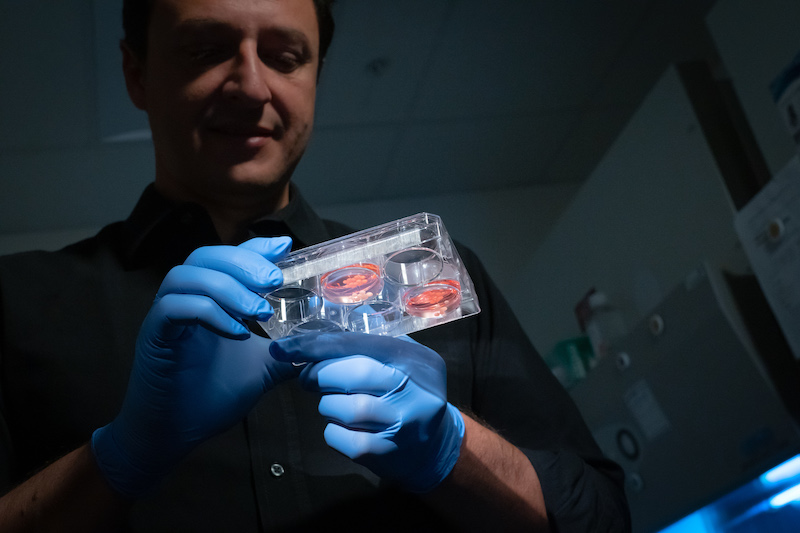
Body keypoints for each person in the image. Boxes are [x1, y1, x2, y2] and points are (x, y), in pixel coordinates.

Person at [0, 0, 631, 531]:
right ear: (136, 74)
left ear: (314, 77)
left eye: (284, 56)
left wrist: (453, 449)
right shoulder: (18, 302)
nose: (251, 86)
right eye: (204, 50)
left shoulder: (432, 279)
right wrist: (121, 458)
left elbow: (603, 516)